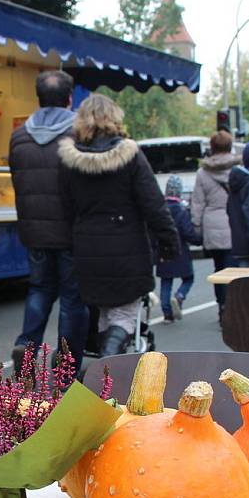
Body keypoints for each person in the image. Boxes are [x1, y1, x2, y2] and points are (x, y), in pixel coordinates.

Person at [59, 94, 178, 356]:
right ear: (114, 118)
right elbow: (153, 203)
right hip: (128, 247)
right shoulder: (131, 155)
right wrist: (169, 241)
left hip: (87, 248)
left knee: (102, 311)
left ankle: (107, 374)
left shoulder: (69, 160)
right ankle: (110, 359)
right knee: (124, 312)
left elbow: (65, 207)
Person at [8, 70, 89, 369]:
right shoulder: (78, 135)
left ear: (38, 98)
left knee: (39, 290)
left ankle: (25, 346)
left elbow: (17, 181)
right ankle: (66, 363)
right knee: (71, 299)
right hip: (71, 233)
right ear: (70, 99)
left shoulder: (18, 137)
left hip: (34, 231)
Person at [191, 131, 240, 319]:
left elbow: (197, 202)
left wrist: (196, 225)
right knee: (235, 268)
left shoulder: (203, 173)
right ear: (230, 146)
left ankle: (222, 306)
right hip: (234, 223)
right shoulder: (239, 170)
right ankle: (235, 306)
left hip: (212, 223)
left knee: (219, 269)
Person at [156, 175, 197, 323]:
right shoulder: (181, 211)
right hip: (180, 251)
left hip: (163, 251)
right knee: (188, 278)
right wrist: (199, 239)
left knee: (166, 281)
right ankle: (179, 295)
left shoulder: (159, 210)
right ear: (179, 192)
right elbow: (188, 232)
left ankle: (167, 313)